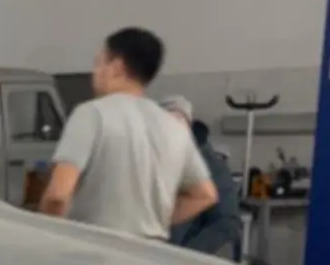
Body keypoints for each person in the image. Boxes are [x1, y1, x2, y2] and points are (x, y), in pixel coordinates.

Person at [37, 27, 216, 239]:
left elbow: (57, 196)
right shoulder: (175, 127)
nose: (95, 73)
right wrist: (153, 223)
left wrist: (47, 238)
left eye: (99, 63)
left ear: (116, 68)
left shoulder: (91, 114)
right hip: (148, 252)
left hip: (92, 249)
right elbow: (205, 195)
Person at [160, 95, 243, 259]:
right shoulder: (152, 159)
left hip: (184, 259)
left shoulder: (211, 167)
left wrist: (187, 256)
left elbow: (227, 223)